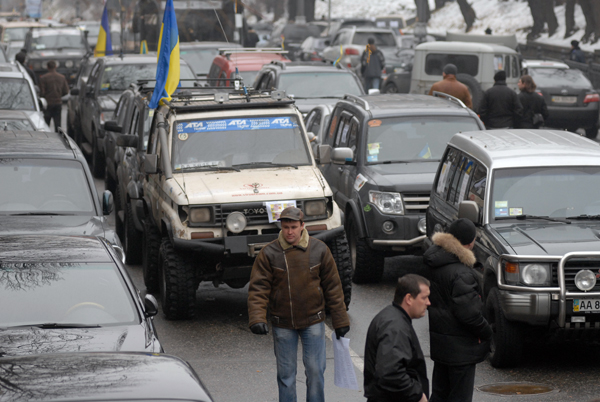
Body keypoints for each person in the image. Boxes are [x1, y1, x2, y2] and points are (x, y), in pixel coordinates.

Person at [248, 206, 350, 402]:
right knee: (286, 376)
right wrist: (257, 318)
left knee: (316, 373)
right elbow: (258, 288)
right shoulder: (269, 253)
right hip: (282, 323)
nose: (289, 232)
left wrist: (340, 320)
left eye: (294, 227)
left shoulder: (320, 250)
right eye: (286, 227)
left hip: (314, 322)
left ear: (303, 226)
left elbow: (333, 288)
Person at [422, 218, 493, 402]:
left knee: (439, 394)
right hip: (461, 350)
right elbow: (469, 314)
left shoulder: (435, 261)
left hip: (442, 345)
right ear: (469, 242)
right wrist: (487, 331)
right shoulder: (461, 273)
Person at [364, 274, 430, 402]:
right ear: (409, 298)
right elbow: (390, 372)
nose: (428, 302)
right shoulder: (395, 328)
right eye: (424, 298)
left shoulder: (392, 317)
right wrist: (418, 394)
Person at [39, 60, 69, 132]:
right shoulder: (62, 77)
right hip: (58, 103)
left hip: (48, 103)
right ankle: (58, 140)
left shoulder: (43, 78)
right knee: (58, 124)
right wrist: (59, 95)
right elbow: (66, 91)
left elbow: (42, 93)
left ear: (47, 67)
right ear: (55, 67)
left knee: (46, 124)